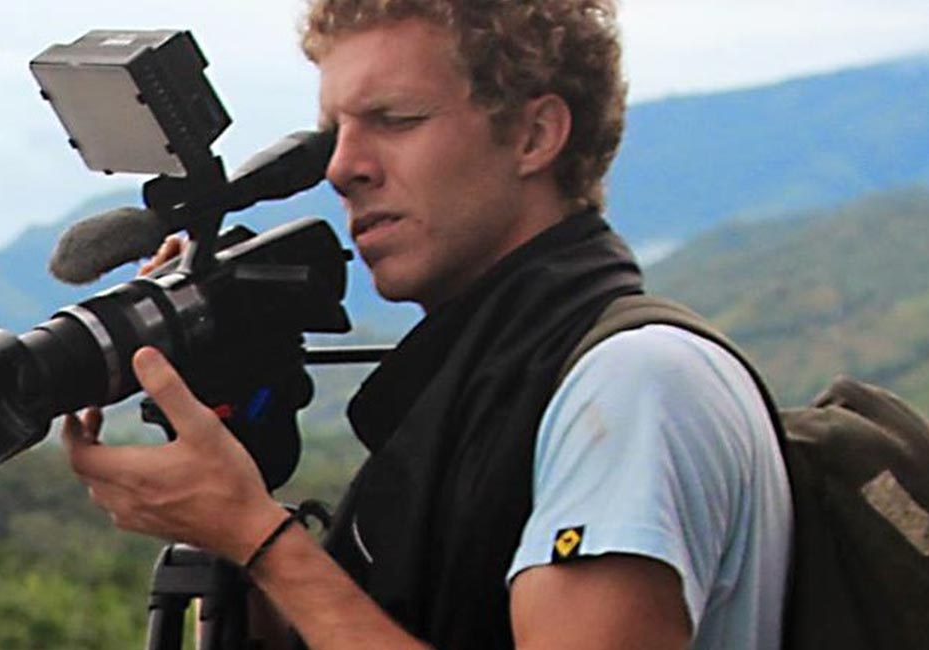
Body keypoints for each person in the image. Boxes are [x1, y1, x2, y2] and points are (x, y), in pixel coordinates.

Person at [61, 1, 793, 648]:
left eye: (397, 120)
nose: (343, 169)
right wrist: (232, 498)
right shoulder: (482, 381)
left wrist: (263, 541)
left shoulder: (632, 385)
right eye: (333, 134)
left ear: (536, 135)